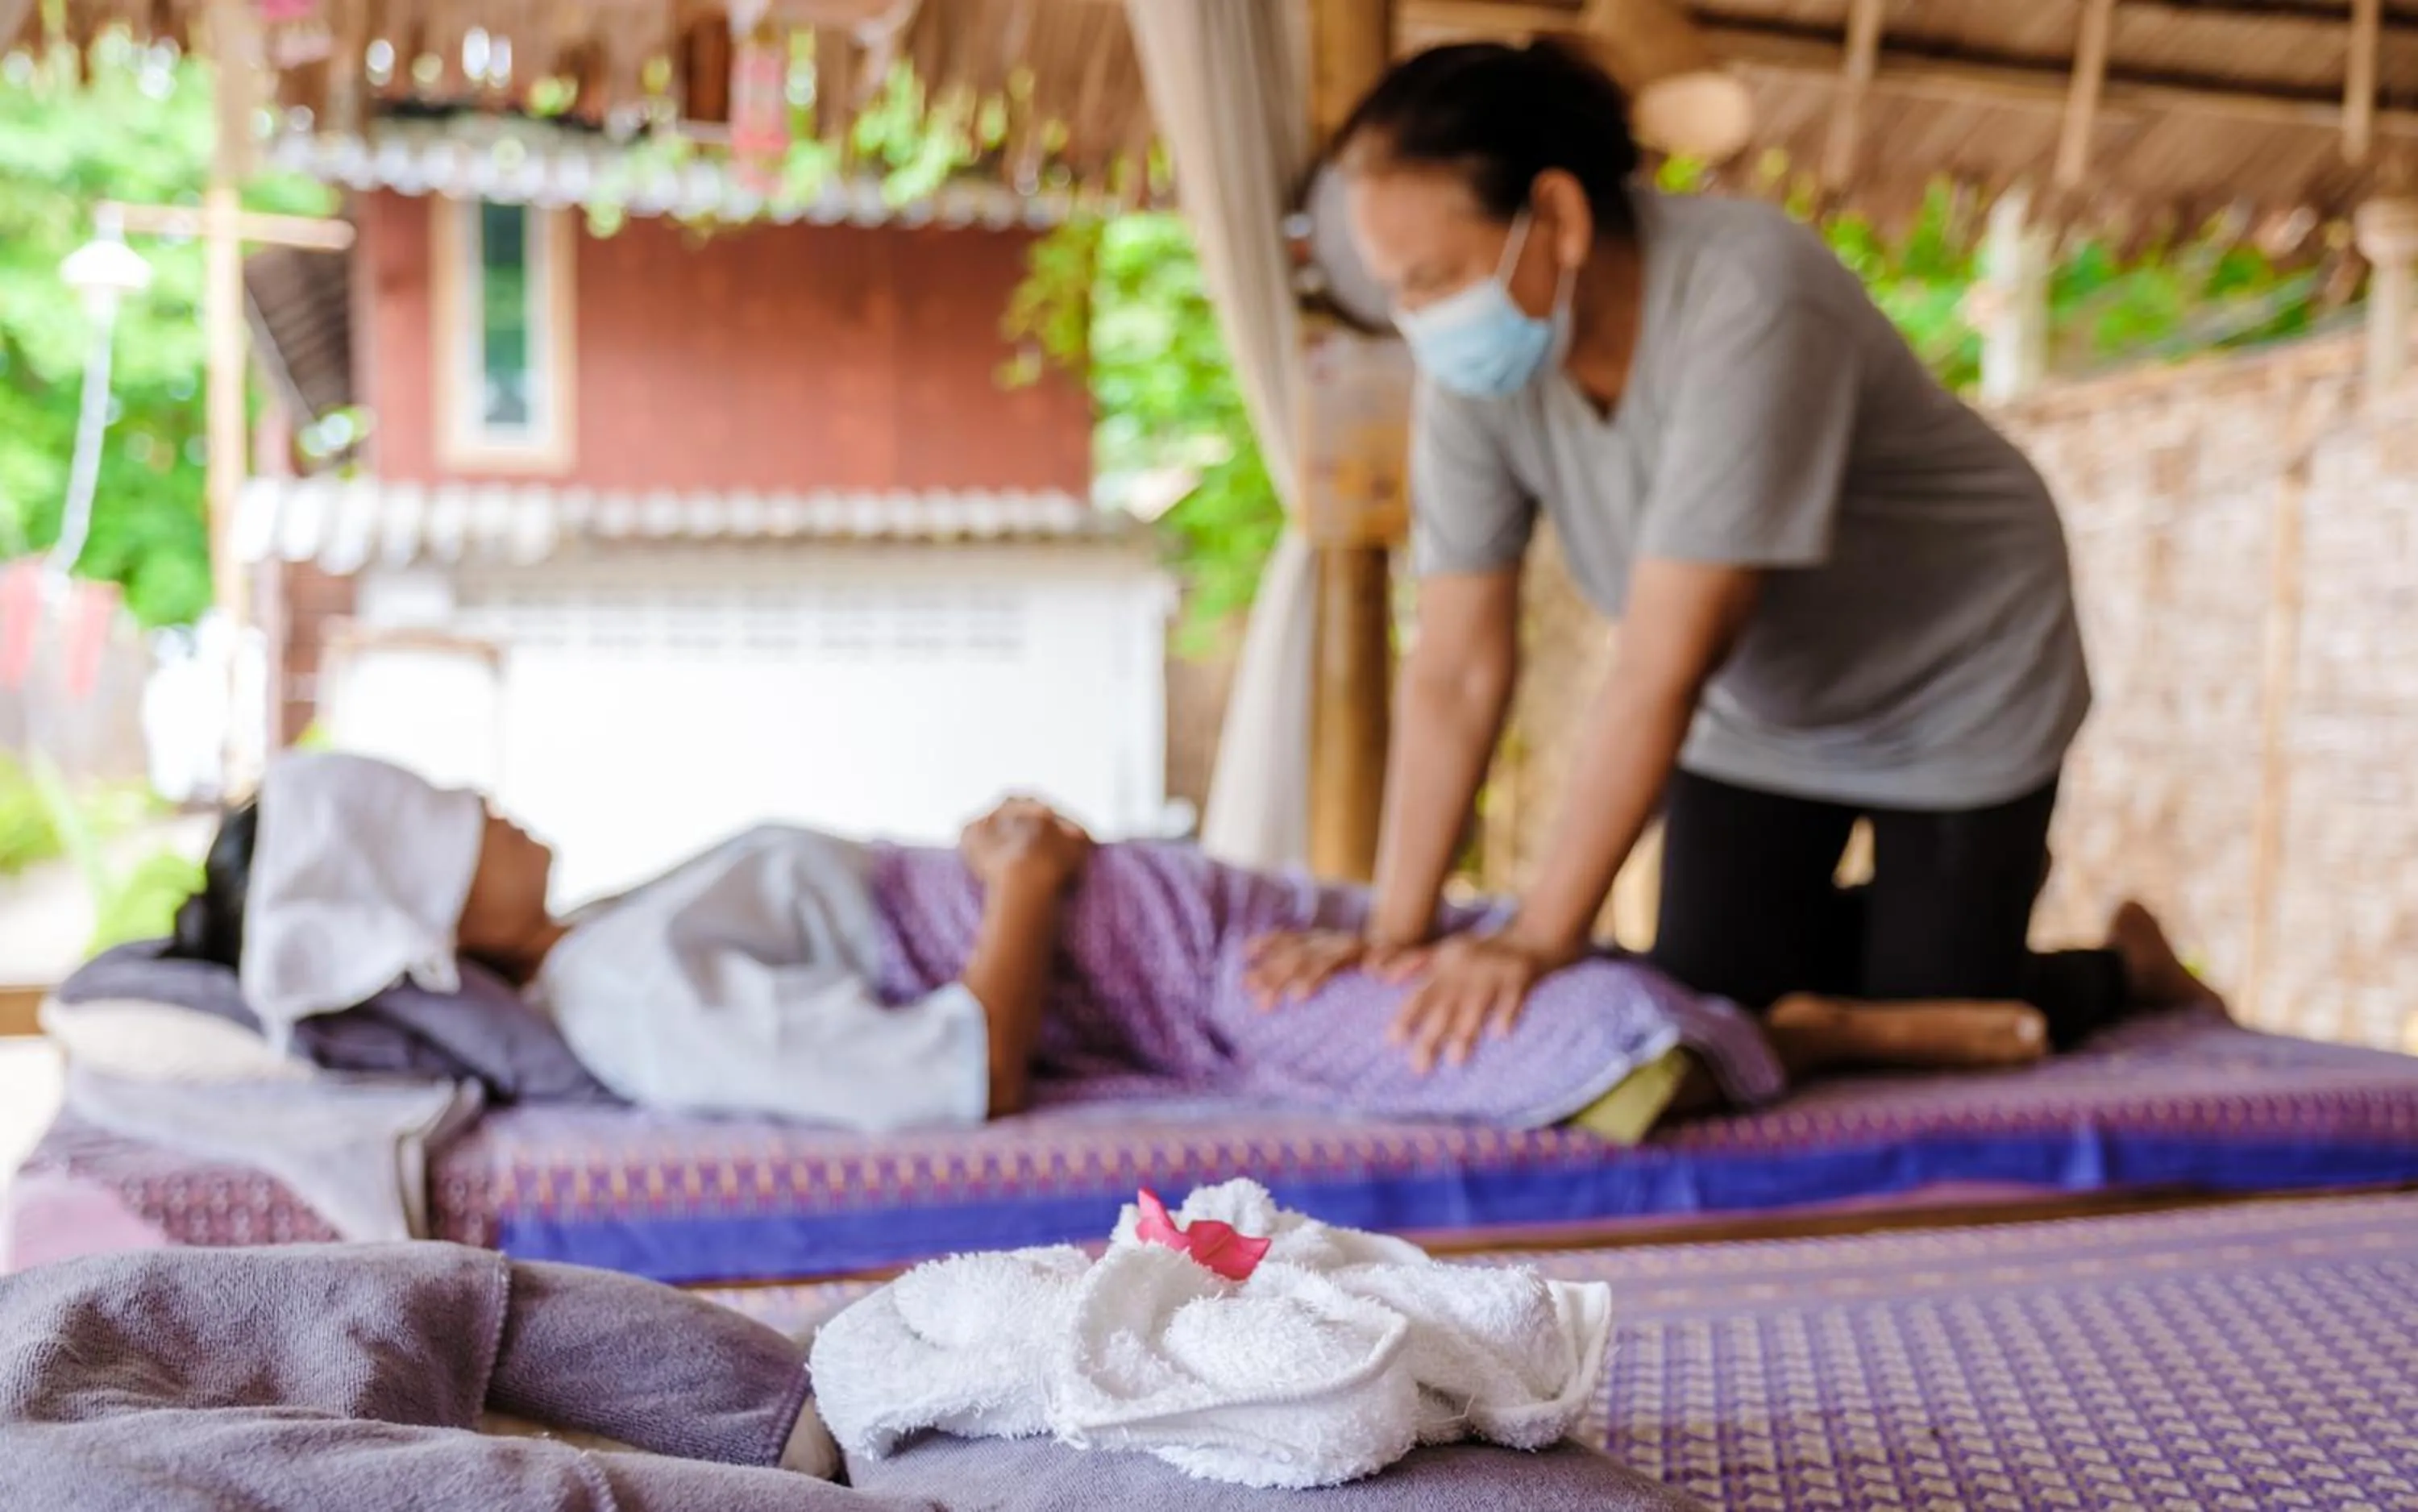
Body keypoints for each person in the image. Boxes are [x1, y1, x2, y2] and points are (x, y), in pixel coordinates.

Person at [1248, 40, 2213, 1068]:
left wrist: (1536, 940)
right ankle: (1898, 954)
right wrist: (1398, 935)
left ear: (1560, 219)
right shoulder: (1476, 378)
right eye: (1400, 289)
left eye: (1435, 277)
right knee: (1707, 1001)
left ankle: (2119, 973)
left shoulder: (1750, 296)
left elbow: (1664, 664)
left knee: (1930, 1019)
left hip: (1959, 673)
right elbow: (1455, 665)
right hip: (1766, 705)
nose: (1421, 317)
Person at [166, 754, 2103, 1144]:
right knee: (1585, 1051)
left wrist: (1029, 860)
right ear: (431, 906)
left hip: (1173, 920)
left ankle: (1848, 1011)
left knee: (1523, 965)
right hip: (1156, 966)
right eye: (455, 820)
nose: (500, 804)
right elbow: (953, 1077)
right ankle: (1862, 1018)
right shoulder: (625, 1001)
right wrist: (1021, 882)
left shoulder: (604, 937)